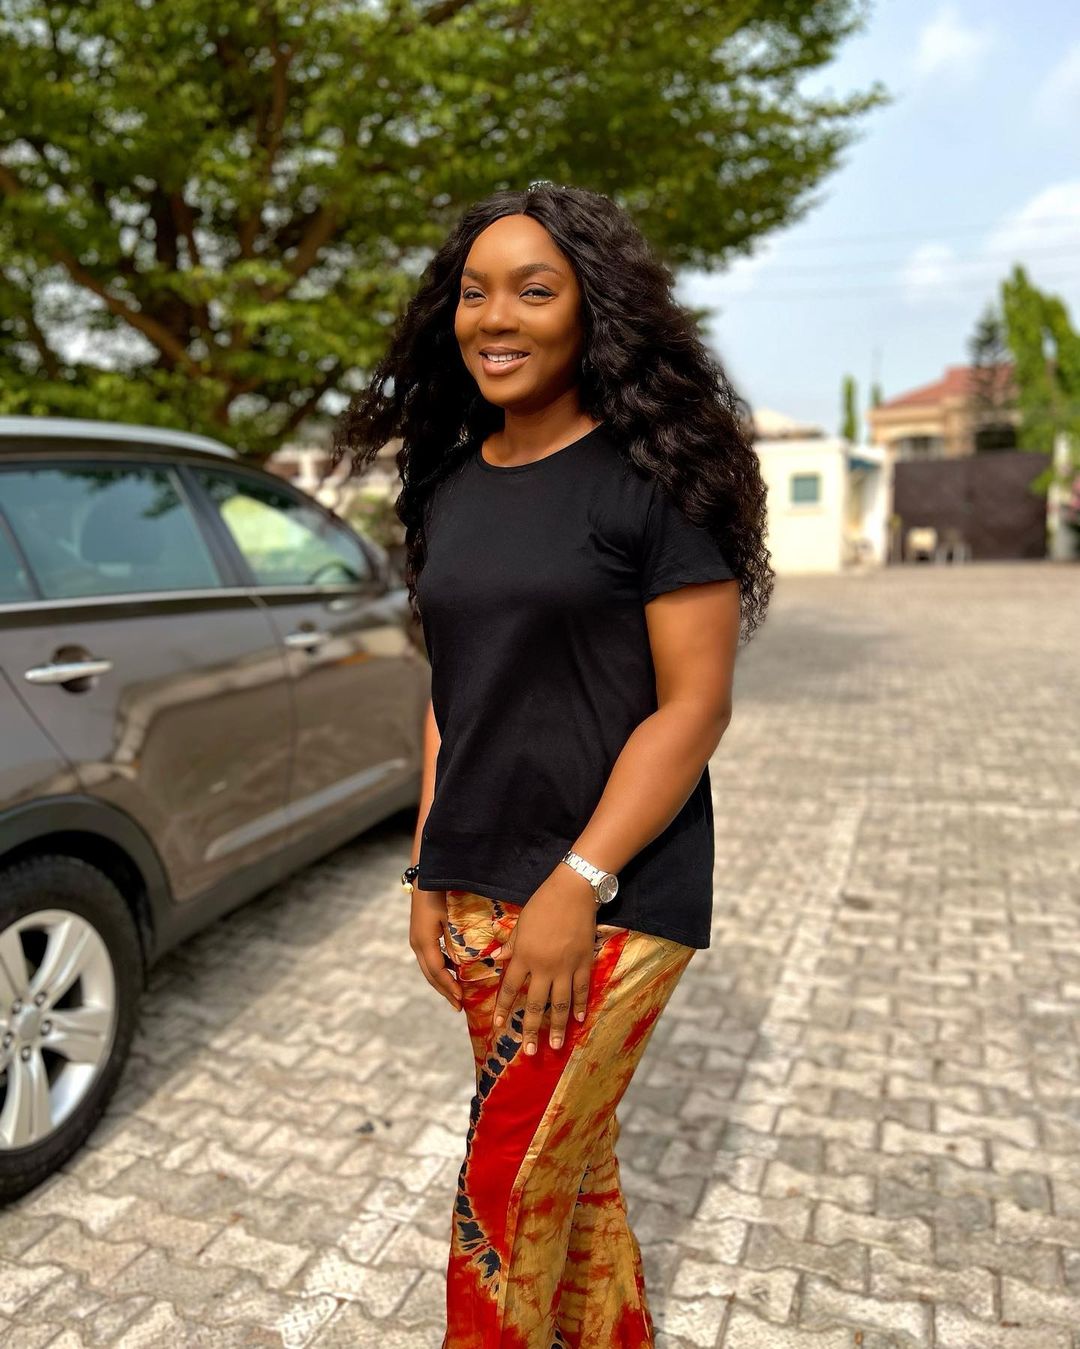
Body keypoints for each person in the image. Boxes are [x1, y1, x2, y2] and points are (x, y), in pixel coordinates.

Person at [331, 181, 773, 1348]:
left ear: (593, 310)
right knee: (570, 1169)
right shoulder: (448, 484)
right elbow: (455, 690)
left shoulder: (658, 479)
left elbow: (694, 705)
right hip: (481, 879)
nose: (497, 317)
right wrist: (430, 865)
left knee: (505, 1188)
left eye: (534, 290)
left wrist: (579, 879)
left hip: (614, 888)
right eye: (475, 292)